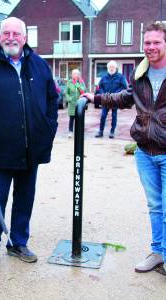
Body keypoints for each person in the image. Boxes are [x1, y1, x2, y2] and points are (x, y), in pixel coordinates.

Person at [0, 17, 58, 270]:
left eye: (16, 33)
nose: (11, 37)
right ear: (0, 36)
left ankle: (18, 243)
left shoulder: (39, 66)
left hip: (31, 148)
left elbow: (51, 100)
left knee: (25, 198)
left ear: (25, 38)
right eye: (6, 33)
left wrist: (48, 130)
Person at [83, 22, 166, 276]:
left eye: (156, 42)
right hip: (144, 151)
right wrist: (95, 98)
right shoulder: (139, 74)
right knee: (155, 206)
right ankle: (158, 253)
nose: (150, 47)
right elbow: (125, 98)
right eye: (147, 42)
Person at [95, 60, 127, 139]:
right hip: (105, 99)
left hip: (115, 99)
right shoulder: (104, 77)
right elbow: (99, 87)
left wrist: (115, 94)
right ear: (107, 68)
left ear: (116, 68)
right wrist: (103, 94)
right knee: (103, 116)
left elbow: (124, 87)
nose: (111, 68)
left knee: (114, 115)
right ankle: (100, 131)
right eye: (110, 67)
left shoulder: (120, 77)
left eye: (113, 67)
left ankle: (112, 131)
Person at [65, 69, 86, 138]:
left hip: (79, 103)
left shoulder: (81, 82)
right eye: (73, 74)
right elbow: (66, 93)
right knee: (71, 118)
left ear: (78, 75)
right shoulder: (69, 82)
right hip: (72, 104)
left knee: (79, 118)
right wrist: (69, 99)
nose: (74, 75)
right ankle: (70, 131)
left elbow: (84, 92)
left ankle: (79, 132)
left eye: (75, 74)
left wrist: (78, 85)